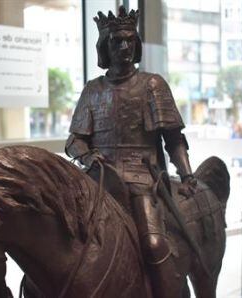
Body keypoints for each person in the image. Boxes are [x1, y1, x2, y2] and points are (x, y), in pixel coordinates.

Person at [65, 6, 196, 298]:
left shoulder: (152, 85)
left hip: (140, 178)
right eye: (116, 41)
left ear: (135, 43)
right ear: (104, 47)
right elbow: (75, 140)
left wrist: (187, 176)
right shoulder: (92, 90)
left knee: (153, 243)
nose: (123, 46)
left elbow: (173, 138)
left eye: (129, 40)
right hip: (97, 178)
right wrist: (86, 155)